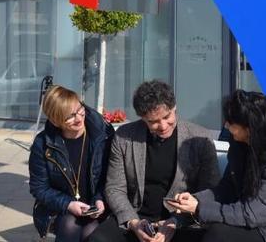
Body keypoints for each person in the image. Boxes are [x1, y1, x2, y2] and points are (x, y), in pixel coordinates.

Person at [169, 90, 266, 242]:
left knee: (218, 235)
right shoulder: (241, 145)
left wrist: (200, 209)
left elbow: (254, 213)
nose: (226, 126)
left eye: (231, 122)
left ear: (249, 127)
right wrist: (196, 200)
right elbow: (226, 189)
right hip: (257, 223)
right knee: (181, 236)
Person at [90, 80, 220, 242]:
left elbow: (209, 191)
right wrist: (133, 222)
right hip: (135, 216)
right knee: (98, 239)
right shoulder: (124, 137)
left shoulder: (200, 138)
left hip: (183, 221)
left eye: (167, 117)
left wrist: (176, 222)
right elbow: (115, 188)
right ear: (142, 118)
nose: (163, 126)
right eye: (153, 122)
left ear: (175, 108)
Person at [29, 86, 115, 241]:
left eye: (80, 109)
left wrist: (100, 198)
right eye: (70, 116)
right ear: (55, 121)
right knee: (69, 225)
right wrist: (68, 204)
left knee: (93, 232)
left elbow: (114, 175)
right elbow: (39, 188)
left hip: (100, 205)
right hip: (62, 207)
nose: (78, 118)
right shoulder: (43, 143)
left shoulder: (103, 135)